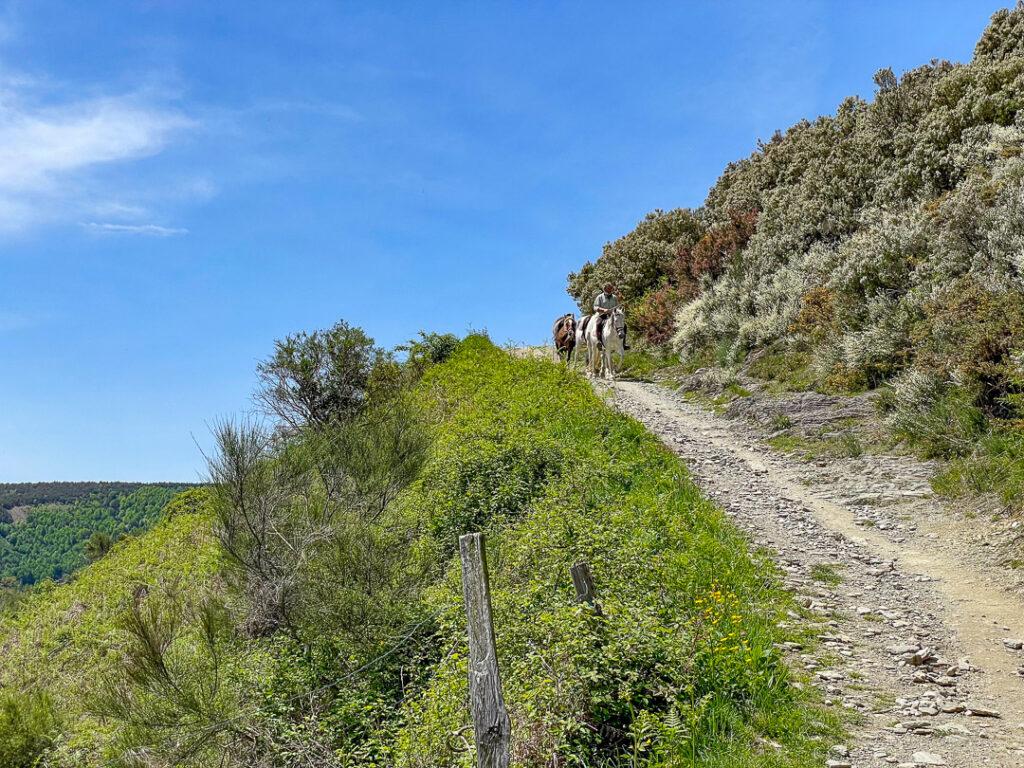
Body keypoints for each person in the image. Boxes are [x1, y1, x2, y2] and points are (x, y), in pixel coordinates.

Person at [592, 283, 629, 349]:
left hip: (613, 316)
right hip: (602, 315)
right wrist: (603, 310)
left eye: (610, 288)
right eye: (608, 288)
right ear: (604, 289)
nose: (610, 290)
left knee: (624, 325)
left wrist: (619, 310)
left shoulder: (614, 297)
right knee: (598, 324)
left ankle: (623, 343)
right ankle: (599, 342)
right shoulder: (600, 297)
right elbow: (595, 307)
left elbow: (617, 307)